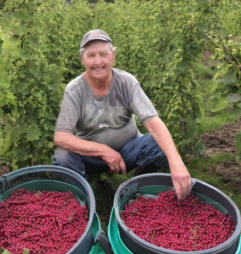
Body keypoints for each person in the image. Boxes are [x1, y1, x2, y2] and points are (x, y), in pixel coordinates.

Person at [52, 29, 191, 201]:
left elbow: (153, 122)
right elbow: (60, 137)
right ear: (82, 59)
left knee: (161, 145)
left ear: (113, 55)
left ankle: (135, 185)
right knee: (63, 156)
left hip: (129, 150)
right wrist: (104, 151)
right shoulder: (75, 90)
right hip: (92, 156)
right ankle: (82, 196)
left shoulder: (126, 82)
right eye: (91, 55)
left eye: (103, 54)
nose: (98, 62)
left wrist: (176, 163)